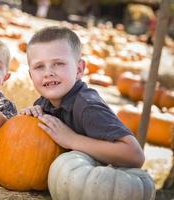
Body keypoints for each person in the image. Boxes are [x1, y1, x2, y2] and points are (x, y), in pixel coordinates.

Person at [21, 26, 145, 168]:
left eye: (58, 63)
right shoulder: (43, 103)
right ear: (31, 75)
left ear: (79, 69)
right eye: (39, 67)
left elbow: (135, 155)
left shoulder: (88, 106)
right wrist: (29, 120)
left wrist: (72, 140)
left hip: (99, 184)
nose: (48, 73)